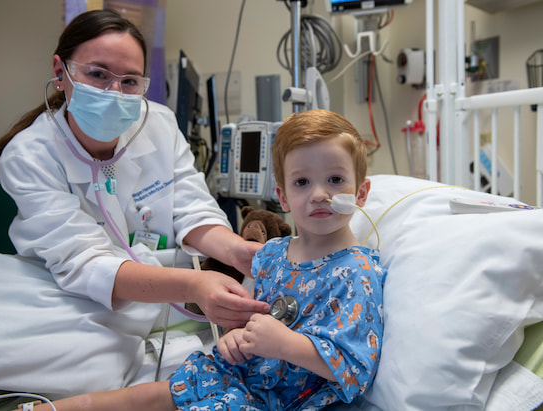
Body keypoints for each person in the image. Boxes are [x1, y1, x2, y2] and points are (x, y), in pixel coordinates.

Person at [25, 109, 387, 410]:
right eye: (303, 182)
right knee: (148, 395)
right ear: (282, 196)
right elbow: (253, 322)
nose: (320, 194)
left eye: (336, 179)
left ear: (361, 193)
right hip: (240, 372)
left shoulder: (357, 272)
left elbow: (354, 367)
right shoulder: (272, 256)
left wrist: (284, 345)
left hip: (278, 400)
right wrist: (236, 338)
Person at [0, 8, 269, 330]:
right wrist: (193, 286)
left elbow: (193, 210)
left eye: (130, 81)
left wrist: (237, 252)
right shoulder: (29, 155)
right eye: (98, 74)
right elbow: (86, 263)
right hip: (74, 297)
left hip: (164, 285)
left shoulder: (158, 123)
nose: (114, 93)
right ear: (60, 72)